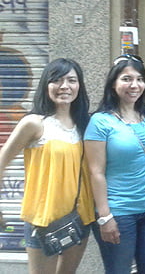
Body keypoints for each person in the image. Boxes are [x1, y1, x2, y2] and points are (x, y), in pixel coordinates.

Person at [0, 58, 93, 274]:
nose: (64, 87)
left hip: (79, 217)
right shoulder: (34, 123)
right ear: (46, 85)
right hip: (42, 221)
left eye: (72, 80)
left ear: (79, 85)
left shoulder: (85, 124)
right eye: (57, 80)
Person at [85, 54, 145, 274]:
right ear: (113, 83)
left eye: (139, 79)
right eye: (126, 79)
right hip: (119, 211)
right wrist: (105, 216)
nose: (134, 85)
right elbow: (96, 172)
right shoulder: (100, 121)